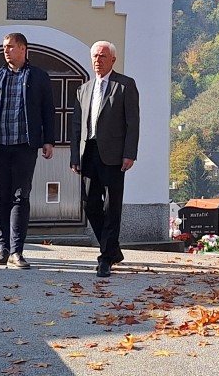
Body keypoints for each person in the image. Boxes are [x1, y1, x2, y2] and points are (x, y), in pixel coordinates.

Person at [0, 33, 55, 269]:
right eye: (4, 47)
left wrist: (48, 140)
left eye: (10, 47)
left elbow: (49, 110)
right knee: (0, 198)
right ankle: (3, 249)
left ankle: (17, 251)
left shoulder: (38, 77)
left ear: (23, 48)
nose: (6, 51)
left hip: (24, 146)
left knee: (20, 196)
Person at [70, 41, 140, 278]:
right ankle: (112, 249)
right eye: (94, 56)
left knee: (112, 207)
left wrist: (130, 153)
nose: (98, 60)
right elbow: (77, 126)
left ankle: (105, 258)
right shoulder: (84, 89)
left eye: (102, 56)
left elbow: (133, 123)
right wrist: (74, 156)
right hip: (88, 153)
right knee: (90, 204)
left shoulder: (125, 85)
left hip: (114, 155)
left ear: (113, 60)